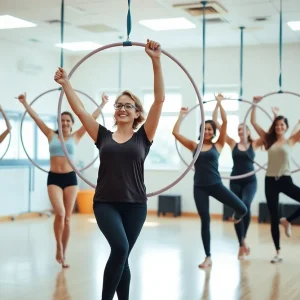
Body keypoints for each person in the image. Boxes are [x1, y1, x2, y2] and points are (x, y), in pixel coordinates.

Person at [54, 39, 165, 300]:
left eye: (128, 105)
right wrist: (66, 84)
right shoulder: (102, 135)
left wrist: (156, 61)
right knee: (121, 247)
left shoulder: (144, 136)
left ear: (138, 112)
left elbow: (159, 100)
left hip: (136, 204)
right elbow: (80, 111)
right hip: (105, 203)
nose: (122, 108)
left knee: (122, 255)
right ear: (114, 112)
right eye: (118, 105)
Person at [17, 92, 107, 268]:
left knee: (67, 219)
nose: (65, 123)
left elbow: (90, 117)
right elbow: (37, 120)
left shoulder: (76, 136)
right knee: (60, 213)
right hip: (54, 178)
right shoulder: (51, 135)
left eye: (68, 121)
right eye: (62, 120)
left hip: (71, 178)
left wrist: (103, 104)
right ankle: (58, 246)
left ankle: (64, 254)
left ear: (72, 124)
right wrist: (25, 103)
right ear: (58, 122)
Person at [172, 94, 247, 268]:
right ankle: (208, 257)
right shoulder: (194, 145)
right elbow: (175, 133)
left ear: (214, 132)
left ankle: (236, 217)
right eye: (205, 129)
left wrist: (220, 103)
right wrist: (181, 116)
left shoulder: (218, 145)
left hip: (216, 185)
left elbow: (226, 123)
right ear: (201, 131)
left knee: (242, 208)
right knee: (205, 221)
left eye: (210, 129)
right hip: (199, 187)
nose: (207, 131)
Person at [251, 96, 300, 263]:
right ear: (274, 126)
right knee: (273, 215)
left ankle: (287, 220)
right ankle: (278, 252)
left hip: (285, 179)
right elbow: (254, 123)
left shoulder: (292, 140)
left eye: (282, 125)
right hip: (270, 181)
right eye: (277, 124)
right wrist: (255, 105)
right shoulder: (268, 139)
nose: (279, 127)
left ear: (286, 127)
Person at [212, 103, 264, 259]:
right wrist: (219, 104)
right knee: (237, 210)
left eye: (243, 129)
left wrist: (254, 105)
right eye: (239, 129)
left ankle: (243, 239)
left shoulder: (254, 144)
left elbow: (266, 134)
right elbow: (216, 123)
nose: (241, 131)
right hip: (235, 181)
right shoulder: (233, 143)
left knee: (246, 206)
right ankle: (242, 244)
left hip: (250, 181)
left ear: (248, 132)